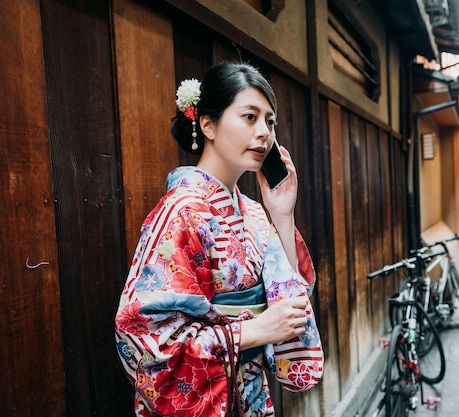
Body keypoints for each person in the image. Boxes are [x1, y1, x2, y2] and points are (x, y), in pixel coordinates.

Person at [114, 61, 324, 417]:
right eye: (250, 117)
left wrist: (282, 214)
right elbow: (143, 335)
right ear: (207, 124)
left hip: (251, 395)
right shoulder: (181, 210)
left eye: (270, 121)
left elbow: (290, 300)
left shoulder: (256, 214)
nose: (264, 133)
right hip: (205, 399)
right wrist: (251, 332)